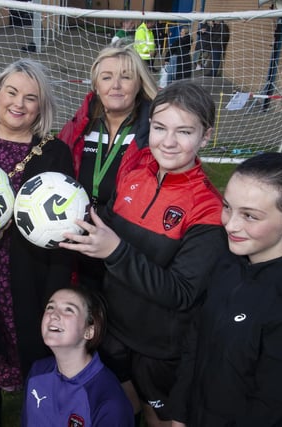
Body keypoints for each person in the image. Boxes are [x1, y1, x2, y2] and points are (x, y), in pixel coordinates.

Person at [59, 80, 228, 427]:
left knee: (158, 417)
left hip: (159, 346)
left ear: (205, 136)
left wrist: (115, 251)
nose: (168, 141)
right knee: (121, 404)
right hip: (114, 327)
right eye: (160, 127)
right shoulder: (135, 170)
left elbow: (182, 293)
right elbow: (108, 224)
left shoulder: (207, 208)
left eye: (184, 131)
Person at [171, 152, 282, 426]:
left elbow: (277, 410)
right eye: (227, 207)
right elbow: (196, 341)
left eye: (250, 216)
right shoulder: (228, 264)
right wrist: (179, 414)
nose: (230, 224)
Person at [0, 58, 75, 427]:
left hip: (32, 266)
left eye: (31, 97)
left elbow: (66, 221)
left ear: (42, 106)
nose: (18, 103)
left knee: (30, 335)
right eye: (12, 91)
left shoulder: (54, 153)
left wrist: (56, 284)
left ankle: (33, 402)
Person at [57, 45, 157, 290]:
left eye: (125, 76)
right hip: (76, 244)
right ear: (96, 85)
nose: (116, 85)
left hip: (125, 247)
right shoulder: (80, 127)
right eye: (107, 77)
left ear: (139, 83)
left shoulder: (154, 133)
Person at [22, 287, 135, 426]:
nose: (53, 315)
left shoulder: (108, 401)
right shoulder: (37, 372)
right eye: (50, 307)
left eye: (69, 310)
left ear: (89, 331)